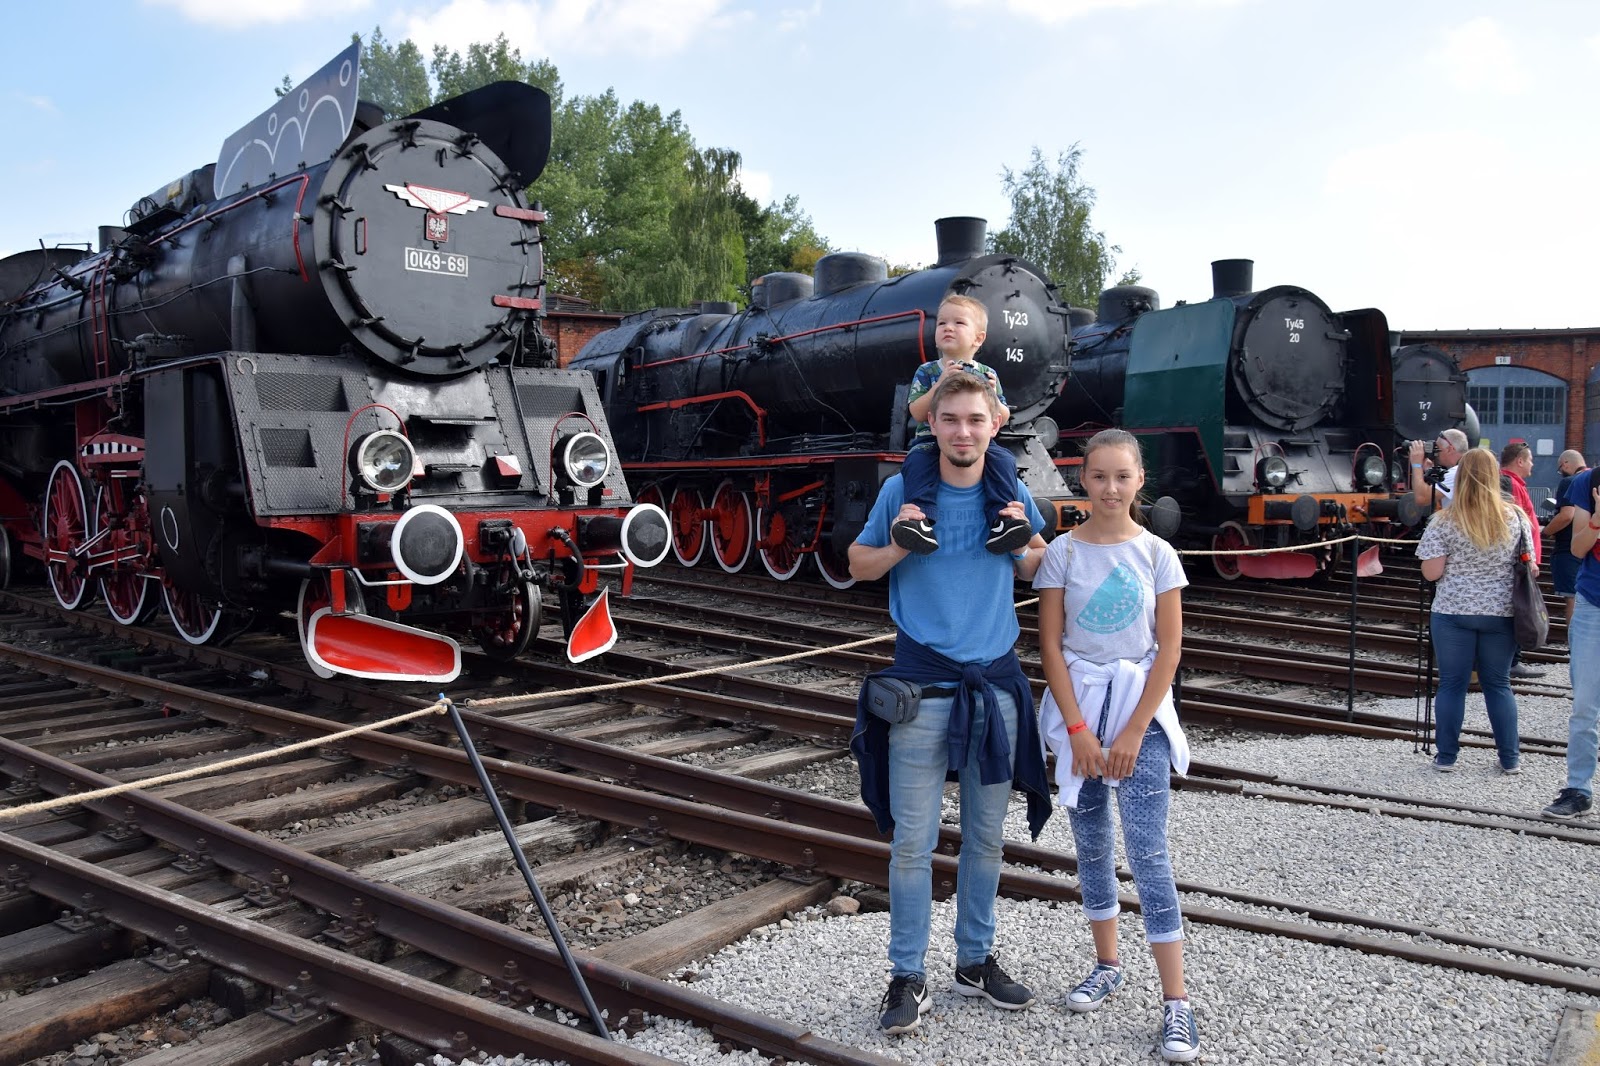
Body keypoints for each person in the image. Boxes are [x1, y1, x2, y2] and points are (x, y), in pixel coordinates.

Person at [848, 369, 1053, 1035]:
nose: (963, 431)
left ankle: (974, 960)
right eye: (951, 419)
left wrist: (1022, 541)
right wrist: (896, 544)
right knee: (913, 843)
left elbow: (1040, 565)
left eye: (975, 420)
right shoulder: (902, 490)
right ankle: (906, 974)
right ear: (932, 425)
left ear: (994, 426)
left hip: (994, 687)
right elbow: (856, 565)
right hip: (922, 689)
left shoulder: (1010, 489)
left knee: (986, 839)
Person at [1032, 428, 1200, 1064]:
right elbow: (1052, 646)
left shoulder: (1157, 553)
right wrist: (1078, 731)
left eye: (1122, 477)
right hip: (1080, 712)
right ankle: (1107, 963)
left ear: (1139, 481)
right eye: (1099, 476)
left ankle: (1176, 1001)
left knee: (1148, 851)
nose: (1110, 488)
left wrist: (1132, 730)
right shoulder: (1063, 554)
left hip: (1139, 716)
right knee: (1093, 845)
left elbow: (1169, 649)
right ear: (1084, 479)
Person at [1415, 447, 1531, 774]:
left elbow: (1431, 573)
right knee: (1498, 685)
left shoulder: (1444, 520)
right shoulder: (1515, 517)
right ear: (1494, 477)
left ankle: (1446, 757)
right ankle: (1509, 759)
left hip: (1453, 611)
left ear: (1461, 477)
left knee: (1452, 684)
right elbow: (1530, 567)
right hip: (1501, 613)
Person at [891, 294, 1032, 557]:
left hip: (976, 442)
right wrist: (939, 384)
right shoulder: (927, 371)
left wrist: (992, 396)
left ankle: (1002, 520)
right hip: (931, 439)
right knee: (917, 461)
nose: (948, 327)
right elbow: (917, 412)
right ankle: (920, 521)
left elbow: (1002, 416)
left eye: (958, 323)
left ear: (978, 338)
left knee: (1003, 460)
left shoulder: (989, 373)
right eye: (942, 323)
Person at [1544, 459, 1600, 819]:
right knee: (1584, 706)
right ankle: (1579, 789)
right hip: (1594, 604)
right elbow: (1578, 549)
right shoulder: (1589, 482)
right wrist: (1597, 519)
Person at [1498, 441, 1545, 679]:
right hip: (1520, 562)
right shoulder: (1511, 485)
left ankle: (1511, 660)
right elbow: (1516, 525)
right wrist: (1527, 559)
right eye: (1530, 460)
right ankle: (1512, 661)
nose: (1532, 465)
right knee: (1519, 608)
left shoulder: (1513, 484)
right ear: (1520, 461)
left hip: (1522, 560)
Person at [1545, 450, 1588, 628]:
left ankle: (1574, 641)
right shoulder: (1594, 480)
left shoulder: (1569, 481)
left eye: (1560, 469)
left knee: (1572, 598)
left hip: (1569, 549)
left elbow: (1566, 515)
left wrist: (1545, 532)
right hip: (1592, 545)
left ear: (1566, 464)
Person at [1410, 428, 1469, 508]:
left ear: (1449, 449)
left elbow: (1422, 498)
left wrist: (1416, 464)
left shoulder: (1456, 473)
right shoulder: (1466, 468)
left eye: (1437, 449)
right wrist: (1429, 470)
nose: (1436, 454)